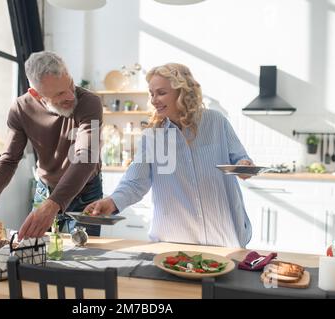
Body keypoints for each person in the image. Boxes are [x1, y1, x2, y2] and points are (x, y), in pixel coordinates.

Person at [84, 63, 254, 248]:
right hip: (174, 240)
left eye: (161, 93)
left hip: (223, 236)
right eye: (152, 94)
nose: (154, 100)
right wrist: (111, 202)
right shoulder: (153, 136)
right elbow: (135, 182)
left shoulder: (216, 122)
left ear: (182, 92)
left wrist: (244, 165)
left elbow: (240, 159)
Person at [0, 51, 103, 240]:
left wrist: (53, 204)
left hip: (85, 193)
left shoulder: (89, 102)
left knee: (83, 258)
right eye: (60, 93)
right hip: (45, 190)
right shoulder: (21, 109)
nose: (71, 95)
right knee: (38, 256)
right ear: (36, 94)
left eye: (70, 83)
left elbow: (86, 157)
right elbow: (9, 159)